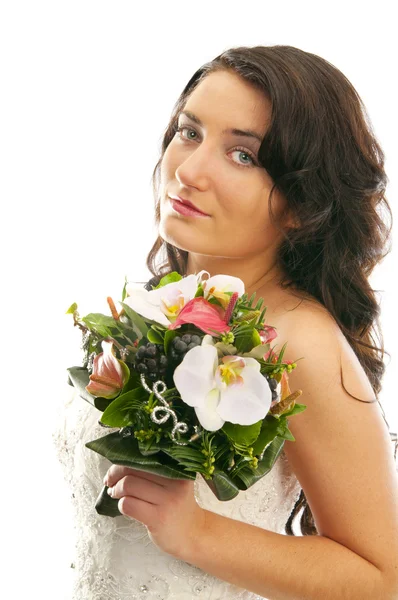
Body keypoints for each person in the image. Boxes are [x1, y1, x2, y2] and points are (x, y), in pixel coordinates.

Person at [53, 44, 398, 599]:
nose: (187, 172)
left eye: (242, 155)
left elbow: (381, 580)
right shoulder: (162, 306)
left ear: (301, 203)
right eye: (190, 133)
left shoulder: (298, 340)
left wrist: (196, 531)